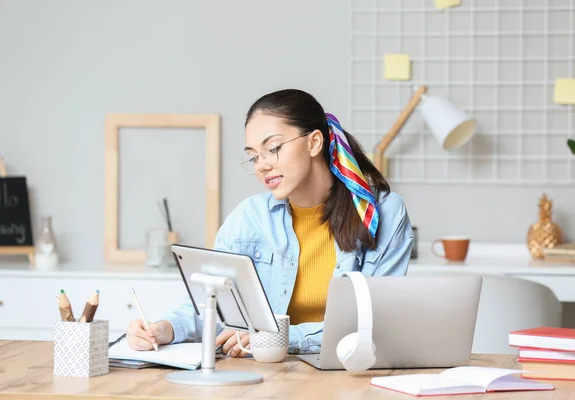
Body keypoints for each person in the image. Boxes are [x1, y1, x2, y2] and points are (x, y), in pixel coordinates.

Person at [127, 88, 414, 357]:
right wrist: (163, 329)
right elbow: (214, 305)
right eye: (253, 157)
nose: (262, 165)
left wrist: (280, 336)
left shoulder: (383, 212)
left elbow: (373, 318)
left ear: (314, 142)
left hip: (346, 372)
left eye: (273, 148)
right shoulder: (248, 218)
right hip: (269, 376)